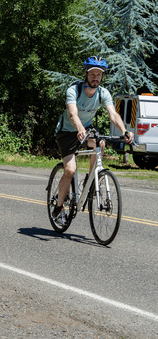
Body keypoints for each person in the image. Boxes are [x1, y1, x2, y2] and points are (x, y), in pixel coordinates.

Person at [52, 56, 134, 225]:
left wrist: (125, 131)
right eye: (93, 74)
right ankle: (58, 207)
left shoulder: (103, 93)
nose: (96, 77)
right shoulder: (74, 90)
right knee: (70, 170)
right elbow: (72, 114)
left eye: (99, 74)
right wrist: (80, 129)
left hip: (86, 130)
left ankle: (92, 179)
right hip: (67, 132)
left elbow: (113, 114)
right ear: (86, 74)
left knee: (100, 142)